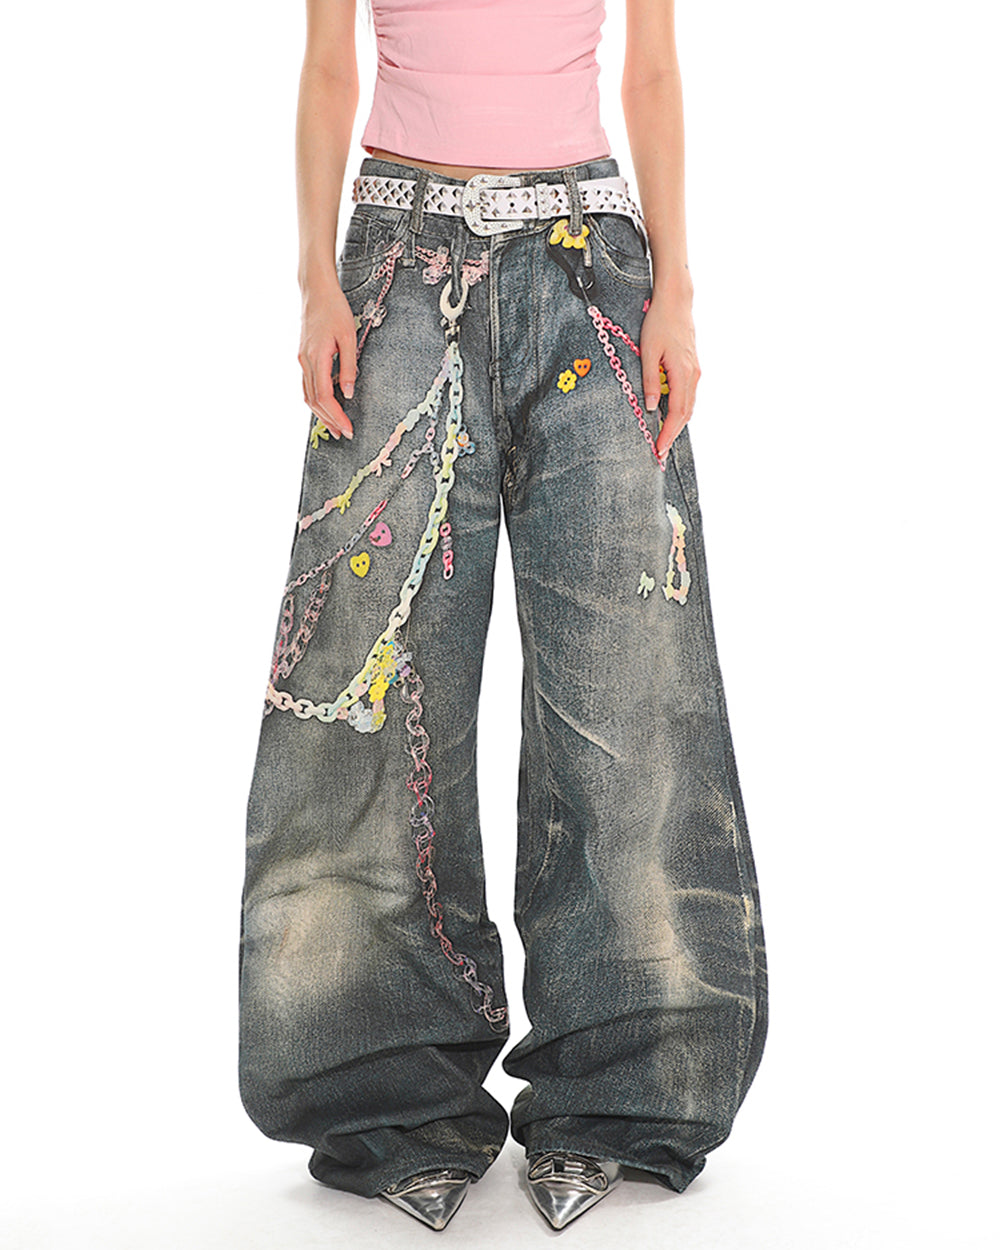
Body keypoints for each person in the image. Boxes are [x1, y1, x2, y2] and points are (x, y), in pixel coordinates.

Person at [238, 0, 768, 1232]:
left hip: (589, 264)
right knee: (369, 686)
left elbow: (651, 74)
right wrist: (316, 283)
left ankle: (625, 1094)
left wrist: (675, 294)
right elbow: (327, 69)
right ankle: (389, 1098)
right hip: (396, 266)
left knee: (623, 679)